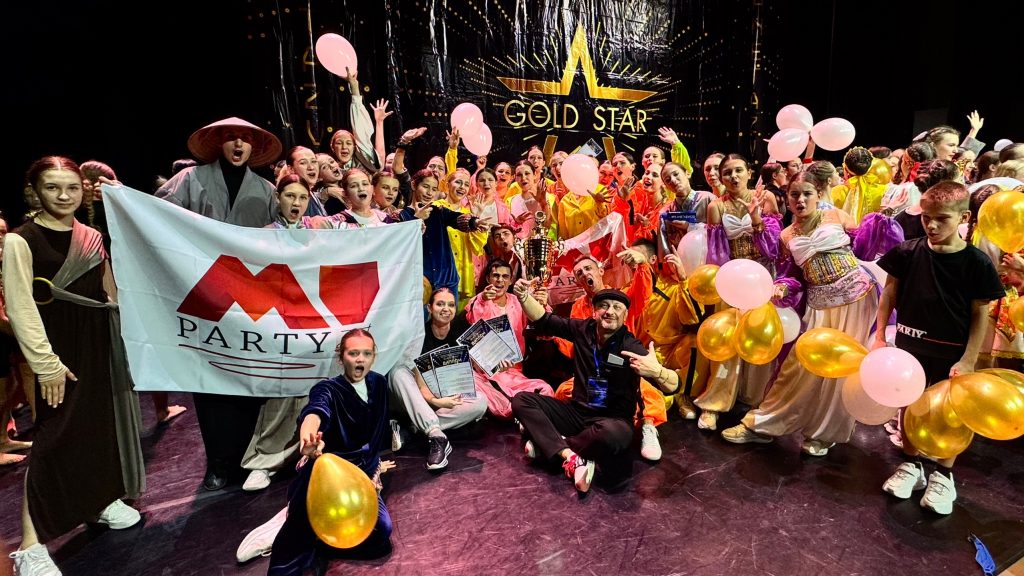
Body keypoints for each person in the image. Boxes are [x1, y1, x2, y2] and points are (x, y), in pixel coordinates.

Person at [6, 157, 144, 575]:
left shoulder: (91, 235)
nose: (63, 195)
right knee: (53, 438)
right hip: (57, 349)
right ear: (35, 191)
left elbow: (107, 290)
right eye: (52, 187)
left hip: (97, 341)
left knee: (98, 425)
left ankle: (98, 502)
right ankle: (30, 547)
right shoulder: (21, 241)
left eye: (72, 187)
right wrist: (46, 363)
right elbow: (21, 306)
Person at [720, 170, 902, 455]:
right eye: (794, 195)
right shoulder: (786, 235)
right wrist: (782, 287)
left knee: (841, 371)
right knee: (798, 367)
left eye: (807, 193)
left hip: (858, 300)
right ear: (788, 199)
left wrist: (883, 218)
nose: (801, 200)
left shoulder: (836, 216)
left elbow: (865, 250)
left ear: (818, 194)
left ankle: (824, 434)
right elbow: (791, 275)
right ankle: (763, 425)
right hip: (819, 306)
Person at [156, 116, 283, 490]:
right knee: (211, 377)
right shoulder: (189, 179)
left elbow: (285, 238)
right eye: (231, 138)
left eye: (245, 139)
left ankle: (249, 457)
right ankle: (218, 462)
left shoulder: (266, 190)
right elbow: (155, 217)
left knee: (250, 375)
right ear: (219, 144)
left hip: (250, 296)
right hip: (205, 292)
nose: (239, 144)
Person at [875, 181, 1004, 514]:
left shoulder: (977, 263)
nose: (931, 225)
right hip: (910, 346)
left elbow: (980, 313)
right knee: (909, 406)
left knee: (951, 412)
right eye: (926, 217)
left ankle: (944, 474)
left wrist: (969, 358)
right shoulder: (906, 252)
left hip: (952, 351)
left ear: (964, 217)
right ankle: (911, 463)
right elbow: (889, 294)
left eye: (942, 218)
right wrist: (879, 337)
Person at [236, 330, 395, 573]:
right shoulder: (328, 388)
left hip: (362, 476)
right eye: (353, 353)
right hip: (326, 477)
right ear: (341, 358)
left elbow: (371, 439)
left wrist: (375, 467)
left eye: (366, 353)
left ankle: (318, 536)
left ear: (374, 357)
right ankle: (295, 517)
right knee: (294, 551)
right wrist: (308, 438)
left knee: (380, 536)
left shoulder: (380, 384)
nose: (360, 359)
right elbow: (315, 411)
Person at [511, 284, 680, 493]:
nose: (609, 311)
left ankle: (550, 446)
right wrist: (523, 296)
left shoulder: (630, 346)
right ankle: (571, 456)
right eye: (603, 306)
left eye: (617, 307)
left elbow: (674, 386)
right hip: (577, 413)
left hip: (612, 420)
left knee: (613, 436)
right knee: (521, 400)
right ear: (595, 312)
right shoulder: (583, 329)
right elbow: (544, 320)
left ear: (625, 315)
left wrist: (658, 372)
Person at [388, 288, 487, 470]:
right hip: (420, 395)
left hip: (444, 397)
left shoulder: (460, 332)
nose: (446, 309)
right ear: (429, 308)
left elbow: (472, 369)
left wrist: (496, 364)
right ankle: (436, 435)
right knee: (397, 373)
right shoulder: (419, 335)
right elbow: (419, 381)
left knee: (481, 402)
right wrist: (434, 400)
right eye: (440, 304)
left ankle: (414, 428)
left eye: (451, 305)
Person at [465, 259, 554, 418]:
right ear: (488, 278)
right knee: (496, 401)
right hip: (486, 374)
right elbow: (474, 324)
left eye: (505, 276)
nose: (500, 280)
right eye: (496, 276)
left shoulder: (518, 301)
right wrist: (483, 300)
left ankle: (522, 411)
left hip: (515, 373)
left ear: (511, 280)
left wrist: (542, 305)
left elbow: (543, 329)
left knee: (545, 389)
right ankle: (522, 411)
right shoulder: (478, 301)